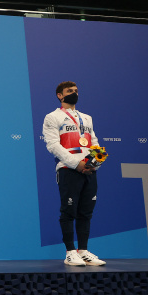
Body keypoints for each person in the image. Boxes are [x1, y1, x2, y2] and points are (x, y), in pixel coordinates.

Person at [42, 81, 106, 266]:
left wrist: (96, 163)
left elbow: (93, 142)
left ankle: (83, 250)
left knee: (86, 212)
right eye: (69, 91)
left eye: (76, 91)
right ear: (60, 96)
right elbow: (53, 145)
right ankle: (70, 252)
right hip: (68, 169)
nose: (74, 93)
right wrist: (76, 164)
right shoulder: (52, 117)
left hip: (89, 170)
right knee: (69, 211)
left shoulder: (87, 118)